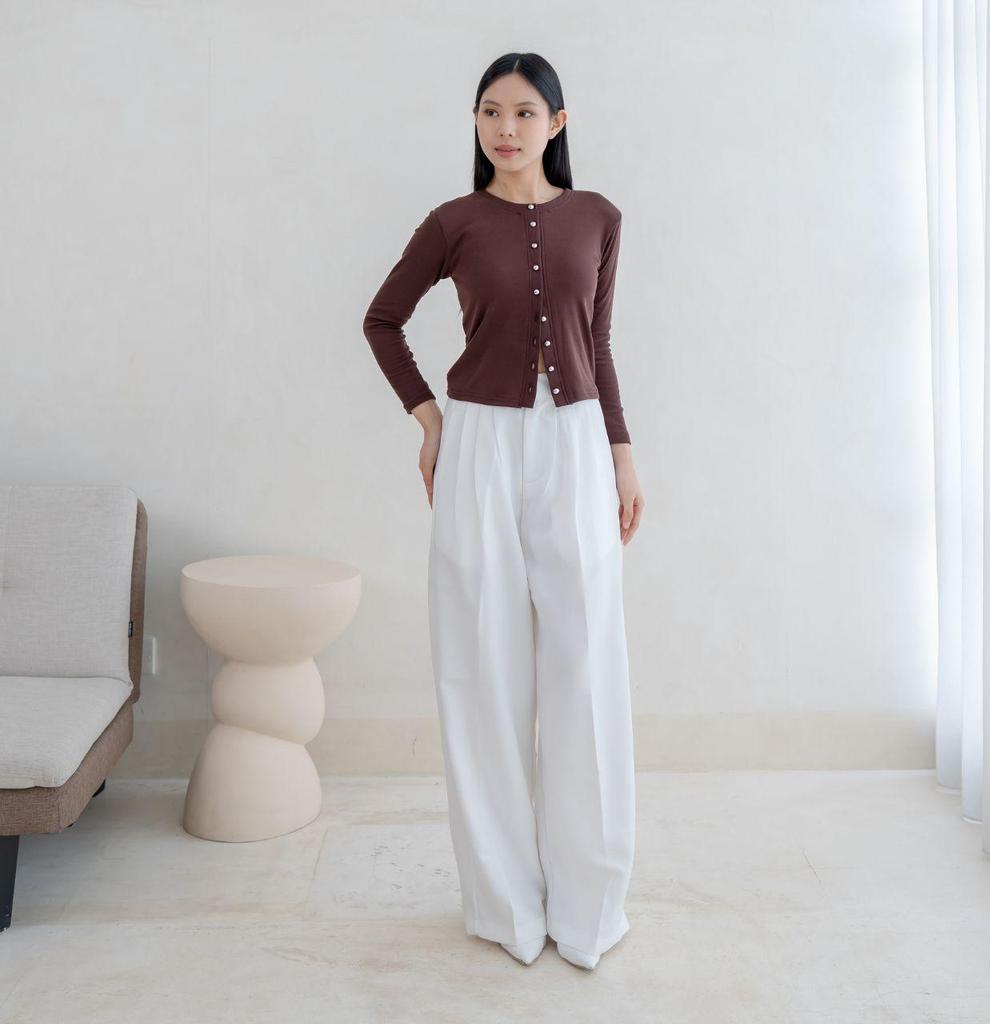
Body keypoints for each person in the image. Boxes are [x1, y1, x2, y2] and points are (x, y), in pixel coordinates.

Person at [362, 51, 645, 971]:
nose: (506, 128)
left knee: (586, 662)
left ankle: (590, 909)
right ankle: (504, 908)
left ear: (557, 123)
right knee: (480, 668)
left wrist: (621, 454)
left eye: (525, 112)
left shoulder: (598, 218)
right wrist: (429, 418)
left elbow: (597, 343)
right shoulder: (453, 223)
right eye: (490, 111)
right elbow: (381, 320)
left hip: (576, 445)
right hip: (479, 445)